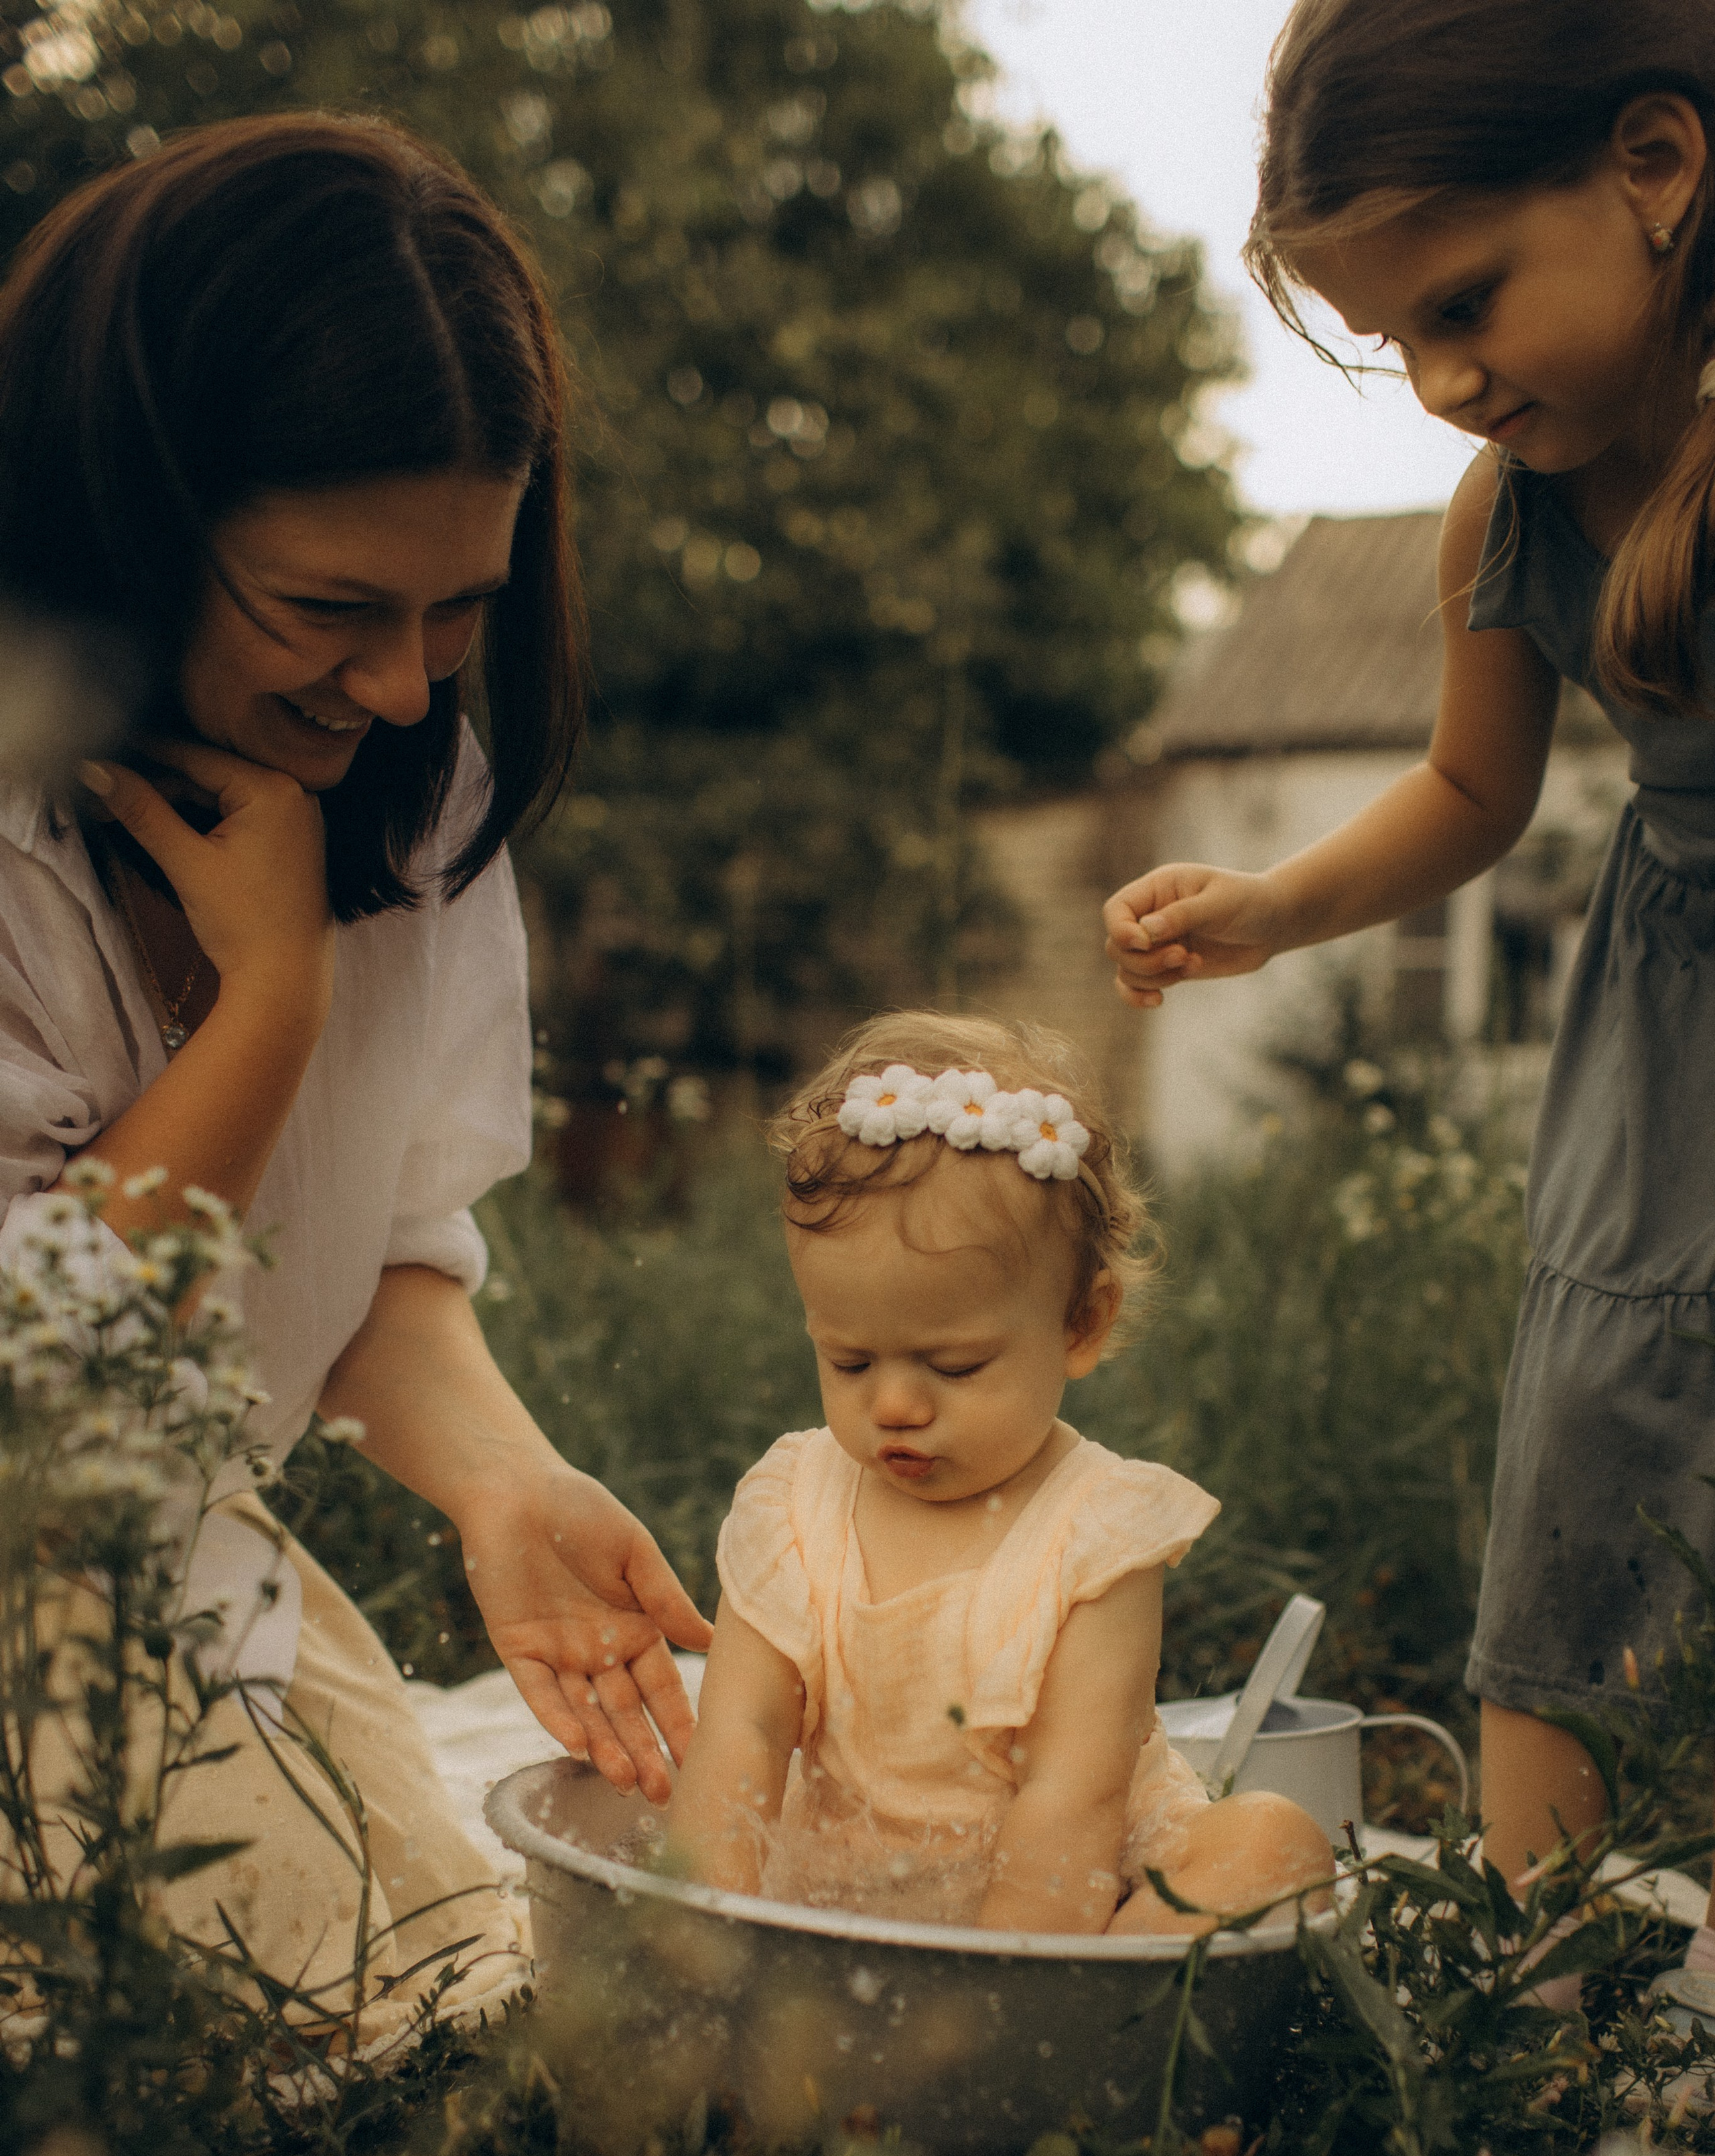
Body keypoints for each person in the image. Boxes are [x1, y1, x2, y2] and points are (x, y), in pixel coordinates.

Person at [0, 115, 711, 2042]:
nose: (402, 687)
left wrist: (505, 1485)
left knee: (447, 1965)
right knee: (207, 2023)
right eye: (328, 609)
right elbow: (45, 1399)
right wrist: (269, 1004)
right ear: (129, 522)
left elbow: (378, 1250)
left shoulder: (407, 781)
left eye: (460, 610)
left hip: (174, 1569)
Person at [1102, 0, 1715, 2052]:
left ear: (1658, 166)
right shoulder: (1506, 516)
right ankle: (1538, 1972)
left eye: (1464, 302)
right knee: (1597, 1419)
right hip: (1670, 1009)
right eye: (1397, 344)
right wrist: (1276, 907)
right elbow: (1471, 795)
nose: (1446, 380)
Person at [667, 1011, 1332, 1936]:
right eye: (851, 1362)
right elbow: (739, 1740)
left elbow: (1075, 1797)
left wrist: (1000, 1989)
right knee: (688, 1842)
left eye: (955, 1366)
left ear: (1081, 1326)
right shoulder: (796, 1506)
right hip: (843, 1901)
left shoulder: (1098, 1534)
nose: (894, 1404)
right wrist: (701, 1932)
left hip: (1070, 1903)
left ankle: (1082, 2018)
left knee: (1273, 1845)